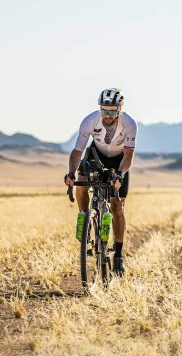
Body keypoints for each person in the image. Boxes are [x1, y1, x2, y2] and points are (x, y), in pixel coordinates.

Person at [63, 88, 137, 276]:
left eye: (112, 111)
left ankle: (118, 255)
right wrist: (70, 173)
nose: (107, 115)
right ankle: (85, 216)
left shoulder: (129, 124)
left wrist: (119, 174)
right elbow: (78, 151)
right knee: (81, 180)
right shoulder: (90, 121)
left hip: (118, 161)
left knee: (116, 206)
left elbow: (128, 155)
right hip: (96, 155)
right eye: (104, 110)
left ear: (119, 109)